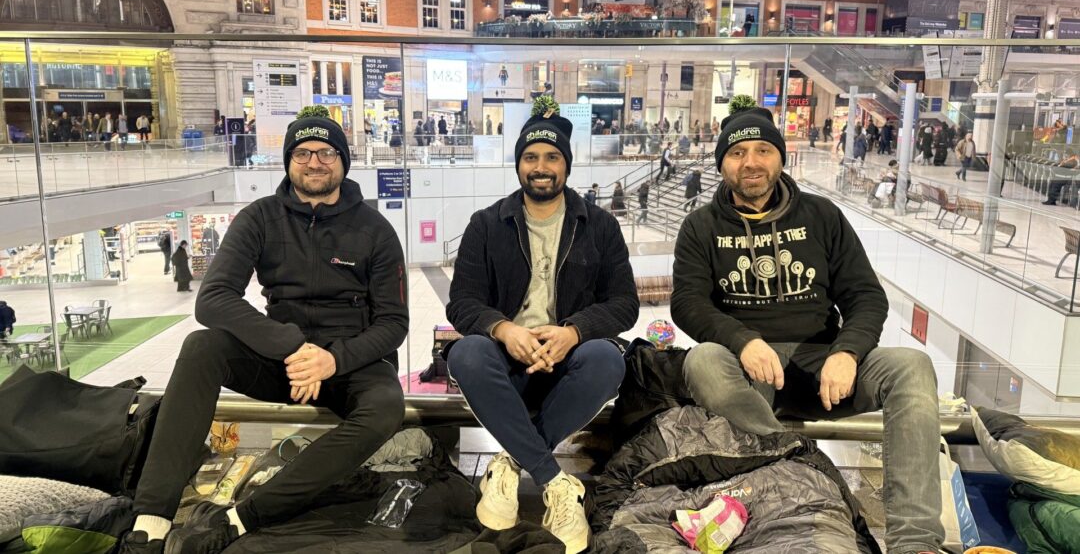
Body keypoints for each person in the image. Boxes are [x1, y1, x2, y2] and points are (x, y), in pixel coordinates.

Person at [118, 116, 408, 554]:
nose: (314, 162)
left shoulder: (375, 230)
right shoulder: (260, 217)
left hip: (349, 364)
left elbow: (393, 323)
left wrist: (331, 360)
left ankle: (243, 517)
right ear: (289, 161)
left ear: (343, 161)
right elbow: (212, 299)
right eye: (302, 153)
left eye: (326, 152)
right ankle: (152, 517)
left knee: (386, 407)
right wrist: (291, 346)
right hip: (280, 360)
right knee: (201, 346)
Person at [672, 107, 943, 554]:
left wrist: (847, 351)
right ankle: (800, 465)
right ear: (721, 164)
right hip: (748, 376)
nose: (751, 162)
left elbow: (865, 295)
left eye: (763, 150)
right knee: (703, 360)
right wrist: (743, 340)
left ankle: (915, 543)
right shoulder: (700, 227)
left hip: (825, 369)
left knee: (912, 366)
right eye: (737, 153)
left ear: (781, 157)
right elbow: (688, 303)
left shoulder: (821, 215)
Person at [445, 110, 636, 554]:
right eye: (531, 157)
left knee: (607, 359)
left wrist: (574, 331)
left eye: (552, 157)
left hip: (568, 361)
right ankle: (554, 480)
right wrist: (503, 329)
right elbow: (462, 303)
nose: (541, 167)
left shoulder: (599, 226)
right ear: (518, 164)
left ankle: (509, 464)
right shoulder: (486, 224)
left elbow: (624, 304)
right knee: (467, 353)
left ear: (566, 164)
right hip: (505, 361)